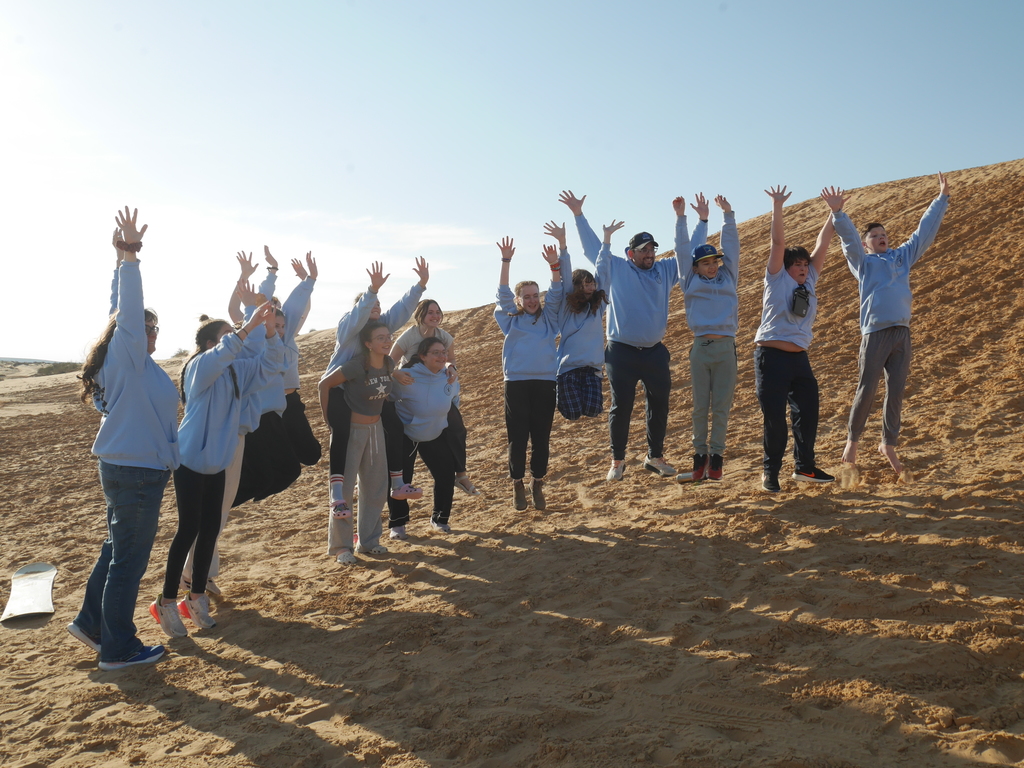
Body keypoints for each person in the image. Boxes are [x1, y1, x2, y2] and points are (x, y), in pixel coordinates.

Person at [69, 207, 176, 671]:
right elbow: (127, 310)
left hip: (127, 466)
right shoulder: (129, 355)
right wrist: (130, 258)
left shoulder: (131, 361)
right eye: (150, 328)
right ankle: (118, 648)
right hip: (134, 470)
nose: (153, 334)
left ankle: (92, 624)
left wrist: (117, 263)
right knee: (128, 560)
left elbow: (117, 310)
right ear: (136, 332)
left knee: (117, 550)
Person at [151, 301, 281, 636]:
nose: (234, 338)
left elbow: (269, 365)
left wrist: (270, 333)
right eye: (226, 335)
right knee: (188, 530)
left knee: (210, 530)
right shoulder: (198, 366)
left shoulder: (237, 371)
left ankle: (196, 598)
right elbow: (225, 353)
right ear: (211, 344)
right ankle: (166, 602)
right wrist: (247, 327)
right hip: (190, 461)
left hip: (218, 462)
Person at [559, 190, 707, 481]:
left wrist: (698, 221)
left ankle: (655, 456)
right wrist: (578, 214)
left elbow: (688, 252)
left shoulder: (665, 269)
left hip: (654, 351)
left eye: (652, 249)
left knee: (659, 403)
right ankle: (617, 461)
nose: (649, 254)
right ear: (631, 254)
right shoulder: (618, 267)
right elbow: (592, 249)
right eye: (643, 250)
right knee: (622, 406)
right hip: (621, 352)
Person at [826, 173, 951, 475]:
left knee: (895, 392)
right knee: (867, 388)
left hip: (902, 334)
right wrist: (838, 213)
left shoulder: (901, 258)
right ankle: (852, 442)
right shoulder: (864, 264)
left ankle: (888, 444)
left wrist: (941, 198)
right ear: (866, 244)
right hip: (875, 333)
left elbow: (923, 233)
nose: (881, 237)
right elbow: (849, 241)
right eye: (875, 235)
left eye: (883, 234)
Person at [323, 259, 429, 519]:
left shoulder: (379, 329)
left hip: (369, 390)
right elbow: (358, 314)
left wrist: (420, 286)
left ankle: (398, 483)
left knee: (394, 425)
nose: (377, 307)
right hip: (340, 388)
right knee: (341, 434)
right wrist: (371, 291)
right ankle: (337, 495)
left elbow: (400, 311)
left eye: (378, 305)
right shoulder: (348, 327)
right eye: (371, 305)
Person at [754, 186, 838, 492]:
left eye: (805, 264)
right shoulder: (776, 277)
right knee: (775, 419)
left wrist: (835, 213)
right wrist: (777, 206)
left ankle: (804, 467)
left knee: (808, 412)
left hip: (799, 359)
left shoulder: (810, 279)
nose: (803, 268)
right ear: (787, 267)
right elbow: (778, 243)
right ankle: (770, 473)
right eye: (798, 265)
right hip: (771, 358)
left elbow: (823, 243)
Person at [320, 321, 408, 563]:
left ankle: (368, 541)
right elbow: (324, 384)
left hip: (375, 429)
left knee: (375, 487)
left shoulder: (389, 363)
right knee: (345, 489)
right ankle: (341, 547)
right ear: (368, 343)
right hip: (352, 431)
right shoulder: (357, 365)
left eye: (388, 336)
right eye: (380, 338)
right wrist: (329, 420)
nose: (387, 341)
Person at [494, 237, 564, 510]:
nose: (532, 300)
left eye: (535, 295)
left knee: (541, 438)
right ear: (519, 300)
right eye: (527, 296)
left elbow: (556, 292)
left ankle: (537, 482)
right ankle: (517, 484)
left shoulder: (549, 318)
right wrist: (506, 261)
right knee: (518, 437)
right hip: (516, 383)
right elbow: (502, 293)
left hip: (545, 382)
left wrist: (554, 266)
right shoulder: (511, 319)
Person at [675, 195, 740, 483]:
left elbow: (733, 248)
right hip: (701, 349)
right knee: (700, 407)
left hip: (726, 348)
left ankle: (716, 461)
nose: (712, 266)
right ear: (695, 267)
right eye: (705, 263)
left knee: (721, 408)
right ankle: (698, 460)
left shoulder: (728, 277)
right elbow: (682, 250)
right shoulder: (689, 281)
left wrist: (728, 215)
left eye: (714, 261)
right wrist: (681, 218)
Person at [389, 299, 477, 496]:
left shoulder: (444, 336)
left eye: (438, 312)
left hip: (437, 386)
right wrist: (396, 374)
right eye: (430, 312)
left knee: (457, 426)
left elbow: (451, 359)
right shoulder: (409, 336)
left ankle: (461, 474)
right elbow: (388, 362)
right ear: (420, 314)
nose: (435, 316)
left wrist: (451, 367)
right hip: (410, 386)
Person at [388, 337, 463, 537]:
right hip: (407, 435)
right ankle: (398, 524)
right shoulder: (407, 376)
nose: (442, 356)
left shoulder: (449, 376)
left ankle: (440, 519)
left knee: (446, 475)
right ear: (422, 356)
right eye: (435, 353)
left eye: (444, 352)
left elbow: (455, 398)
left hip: (436, 433)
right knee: (401, 480)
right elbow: (389, 398)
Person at [543, 220, 608, 421]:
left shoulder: (597, 307)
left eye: (592, 284)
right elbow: (565, 275)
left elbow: (604, 271)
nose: (591, 288)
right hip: (568, 370)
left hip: (592, 370)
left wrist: (606, 241)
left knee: (593, 410)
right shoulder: (567, 307)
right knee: (571, 413)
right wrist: (562, 244)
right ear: (577, 286)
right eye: (586, 284)